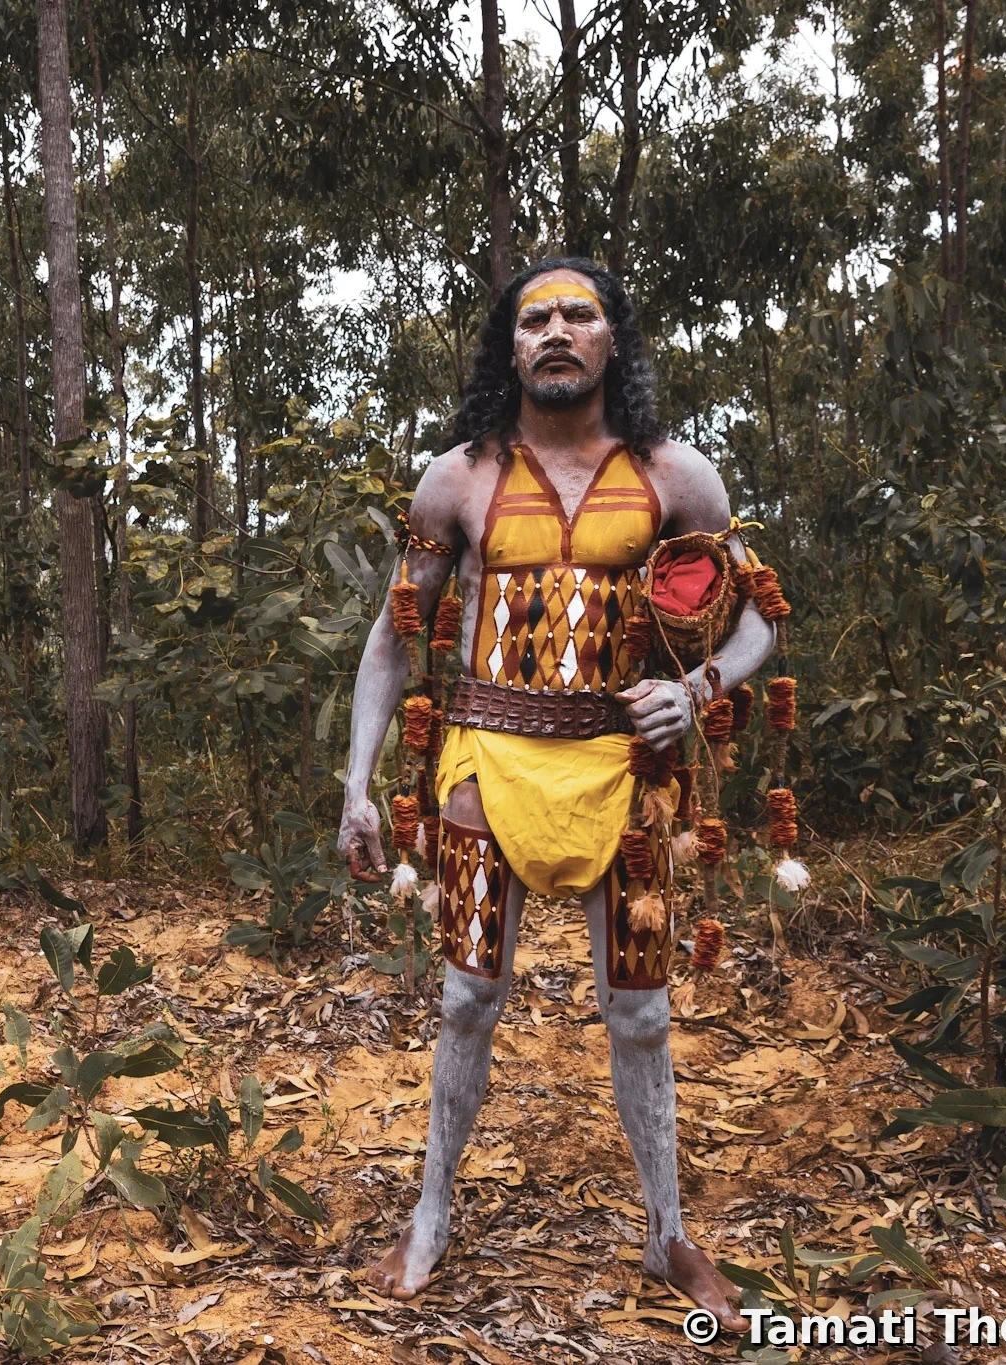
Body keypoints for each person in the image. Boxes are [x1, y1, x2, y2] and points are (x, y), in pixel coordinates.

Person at [337, 257, 775, 1334]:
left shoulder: (677, 478)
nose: (556, 332)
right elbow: (394, 642)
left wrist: (699, 686)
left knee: (637, 1011)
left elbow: (757, 617)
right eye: (534, 318)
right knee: (464, 1000)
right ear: (510, 348)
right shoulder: (457, 481)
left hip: (625, 777)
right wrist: (356, 784)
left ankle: (666, 1230)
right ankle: (429, 1215)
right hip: (486, 764)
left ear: (611, 340)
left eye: (578, 315)